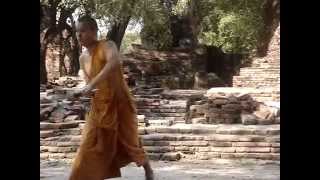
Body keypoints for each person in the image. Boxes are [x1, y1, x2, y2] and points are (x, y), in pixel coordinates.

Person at [69, 15, 154, 180]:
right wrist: (83, 92)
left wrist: (90, 86)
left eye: (83, 31)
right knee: (89, 144)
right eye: (77, 32)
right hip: (99, 107)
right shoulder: (82, 58)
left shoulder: (108, 46)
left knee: (130, 141)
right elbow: (90, 84)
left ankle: (147, 168)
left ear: (94, 31)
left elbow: (113, 62)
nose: (79, 36)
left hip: (120, 103)